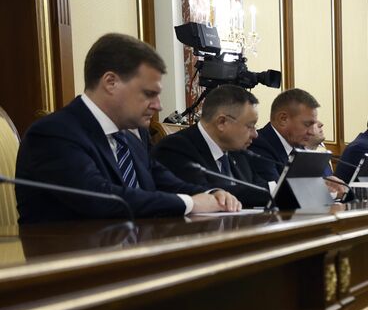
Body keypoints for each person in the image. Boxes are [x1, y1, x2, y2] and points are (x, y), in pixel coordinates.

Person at [14, 33, 240, 223]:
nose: (158, 105)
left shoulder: (130, 137)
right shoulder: (54, 134)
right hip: (70, 259)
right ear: (110, 82)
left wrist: (211, 194)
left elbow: (166, 182)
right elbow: (102, 199)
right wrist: (190, 203)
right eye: (149, 94)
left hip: (134, 252)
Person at [153, 84, 269, 208]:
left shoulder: (238, 151)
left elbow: (256, 189)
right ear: (222, 122)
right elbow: (205, 193)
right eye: (250, 126)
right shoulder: (175, 148)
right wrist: (271, 190)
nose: (255, 134)